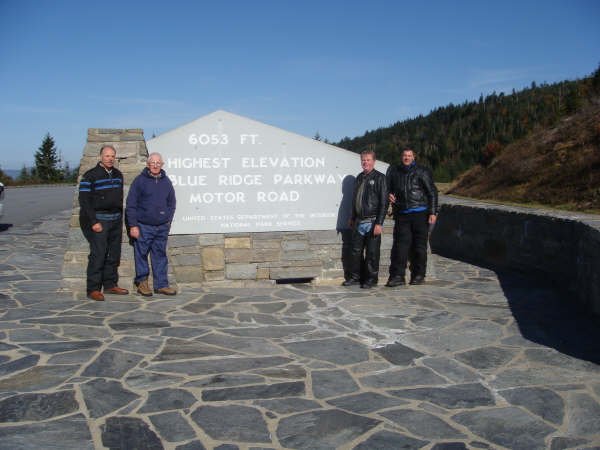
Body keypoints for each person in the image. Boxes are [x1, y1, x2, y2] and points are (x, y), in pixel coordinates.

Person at [79, 145, 129, 301]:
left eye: (113, 156)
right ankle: (93, 288)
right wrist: (93, 221)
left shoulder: (118, 175)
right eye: (107, 156)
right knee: (98, 254)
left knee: (113, 254)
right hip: (99, 220)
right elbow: (84, 201)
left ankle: (110, 285)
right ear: (101, 156)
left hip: (115, 220)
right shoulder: (90, 175)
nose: (110, 158)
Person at [126, 152, 177, 296]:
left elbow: (172, 203)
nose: (155, 165)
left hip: (161, 227)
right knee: (141, 254)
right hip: (143, 226)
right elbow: (131, 204)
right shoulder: (139, 181)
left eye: (158, 163)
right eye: (152, 163)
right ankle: (142, 283)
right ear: (148, 165)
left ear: (162, 165)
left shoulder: (166, 182)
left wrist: (168, 220)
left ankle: (161, 285)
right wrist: (133, 225)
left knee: (160, 255)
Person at [386, 148, 438, 287]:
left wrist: (433, 212)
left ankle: (419, 275)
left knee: (419, 247)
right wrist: (389, 194)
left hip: (420, 213)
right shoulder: (394, 171)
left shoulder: (422, 171)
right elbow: (388, 189)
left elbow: (432, 192)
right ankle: (398, 276)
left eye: (409, 156)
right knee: (400, 247)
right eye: (404, 155)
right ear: (401, 157)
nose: (407, 158)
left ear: (414, 157)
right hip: (402, 214)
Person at [342, 149, 388, 289]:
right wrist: (352, 217)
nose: (365, 162)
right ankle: (356, 277)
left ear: (374, 161)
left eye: (368, 160)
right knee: (355, 252)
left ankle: (371, 279)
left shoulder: (380, 178)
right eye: (363, 160)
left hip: (373, 221)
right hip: (358, 221)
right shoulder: (359, 177)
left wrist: (379, 223)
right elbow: (356, 199)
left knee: (372, 253)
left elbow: (384, 202)